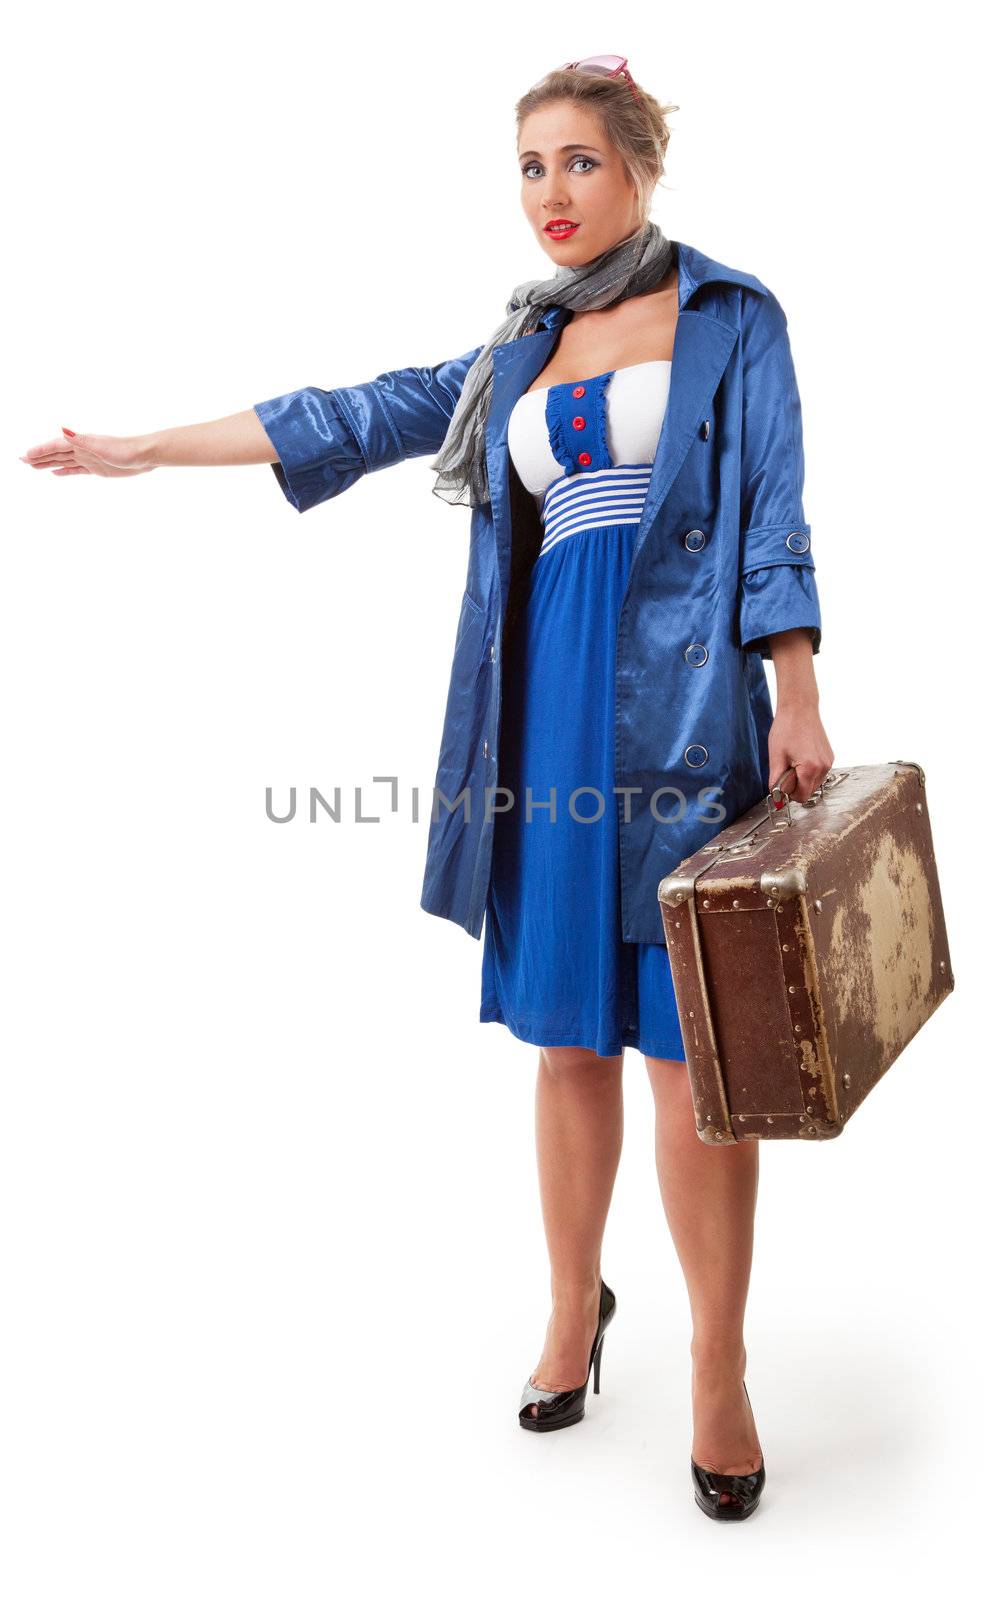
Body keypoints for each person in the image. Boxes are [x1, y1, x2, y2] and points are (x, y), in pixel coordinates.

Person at [20, 56, 834, 1521]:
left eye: (579, 163)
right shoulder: (517, 351)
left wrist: (802, 693)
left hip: (690, 717)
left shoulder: (728, 318)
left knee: (688, 1055)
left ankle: (718, 1365)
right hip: (543, 728)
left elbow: (773, 507)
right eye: (528, 168)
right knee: (565, 1039)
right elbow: (351, 414)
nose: (550, 197)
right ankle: (572, 1311)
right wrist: (146, 450)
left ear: (641, 167)